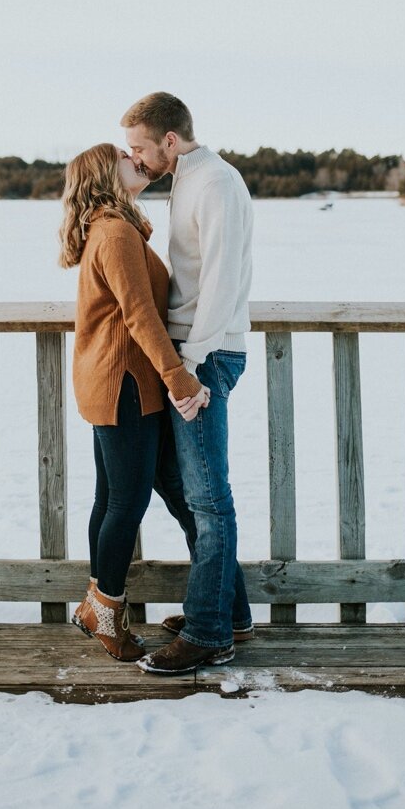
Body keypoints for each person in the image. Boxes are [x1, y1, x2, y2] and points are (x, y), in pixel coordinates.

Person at [121, 92, 255, 674]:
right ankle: (231, 613)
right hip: (189, 354)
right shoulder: (187, 179)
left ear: (169, 141)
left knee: (207, 500)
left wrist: (192, 368)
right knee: (180, 487)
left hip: (206, 357)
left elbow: (221, 283)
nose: (136, 159)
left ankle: (208, 634)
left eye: (140, 149)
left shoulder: (217, 183)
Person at [59, 142, 206, 661]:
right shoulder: (116, 233)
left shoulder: (112, 229)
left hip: (112, 381)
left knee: (111, 498)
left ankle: (97, 604)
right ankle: (105, 609)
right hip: (125, 383)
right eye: (125, 156)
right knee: (126, 501)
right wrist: (179, 379)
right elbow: (141, 316)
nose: (136, 160)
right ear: (106, 175)